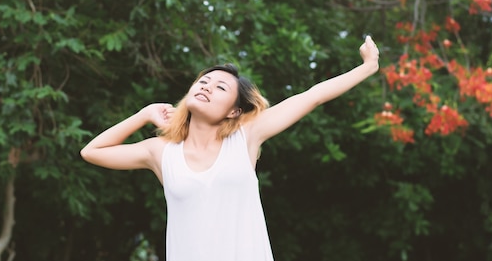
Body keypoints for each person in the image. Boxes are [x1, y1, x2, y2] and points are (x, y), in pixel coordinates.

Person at [80, 35, 380, 261]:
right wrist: (143, 115)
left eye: (220, 88)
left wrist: (367, 67)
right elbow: (92, 151)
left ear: (234, 111)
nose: (206, 86)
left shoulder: (246, 137)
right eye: (203, 81)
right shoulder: (161, 151)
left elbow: (312, 96)